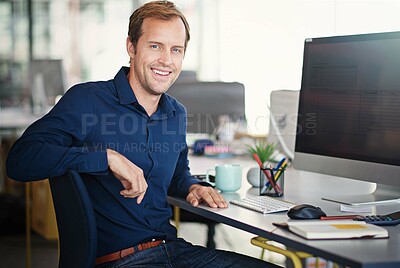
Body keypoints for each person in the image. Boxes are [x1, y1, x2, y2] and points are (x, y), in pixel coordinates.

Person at [7, 1, 278, 267]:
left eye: (176, 50)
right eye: (155, 46)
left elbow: (176, 176)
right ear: (131, 47)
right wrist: (106, 158)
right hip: (120, 260)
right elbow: (20, 160)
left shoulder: (176, 113)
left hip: (173, 250)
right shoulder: (88, 100)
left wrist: (193, 186)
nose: (166, 60)